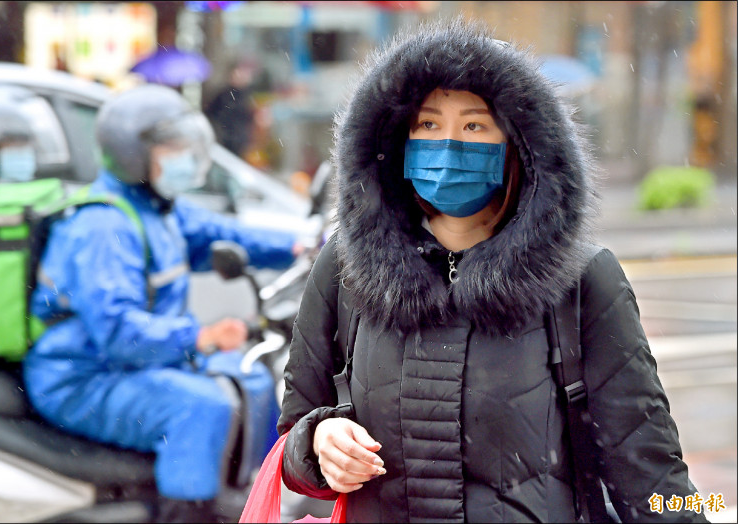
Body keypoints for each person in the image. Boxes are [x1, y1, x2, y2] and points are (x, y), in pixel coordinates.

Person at [277, 18, 708, 523]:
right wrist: (318, 441)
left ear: (518, 145)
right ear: (397, 140)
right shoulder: (345, 267)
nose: (449, 147)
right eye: (429, 125)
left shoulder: (581, 279)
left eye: (475, 125)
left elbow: (654, 475)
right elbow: (293, 444)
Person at [23, 84, 302, 523]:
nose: (187, 158)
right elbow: (117, 333)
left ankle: (246, 501)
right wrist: (202, 336)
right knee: (199, 405)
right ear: (132, 154)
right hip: (81, 375)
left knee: (251, 380)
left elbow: (226, 235)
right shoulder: (103, 225)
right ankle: (188, 513)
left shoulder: (158, 210)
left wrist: (309, 245)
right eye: (174, 148)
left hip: (131, 366)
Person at [204, 58, 257, 159]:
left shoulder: (248, 95)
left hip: (240, 138)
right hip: (223, 135)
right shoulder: (223, 94)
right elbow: (210, 111)